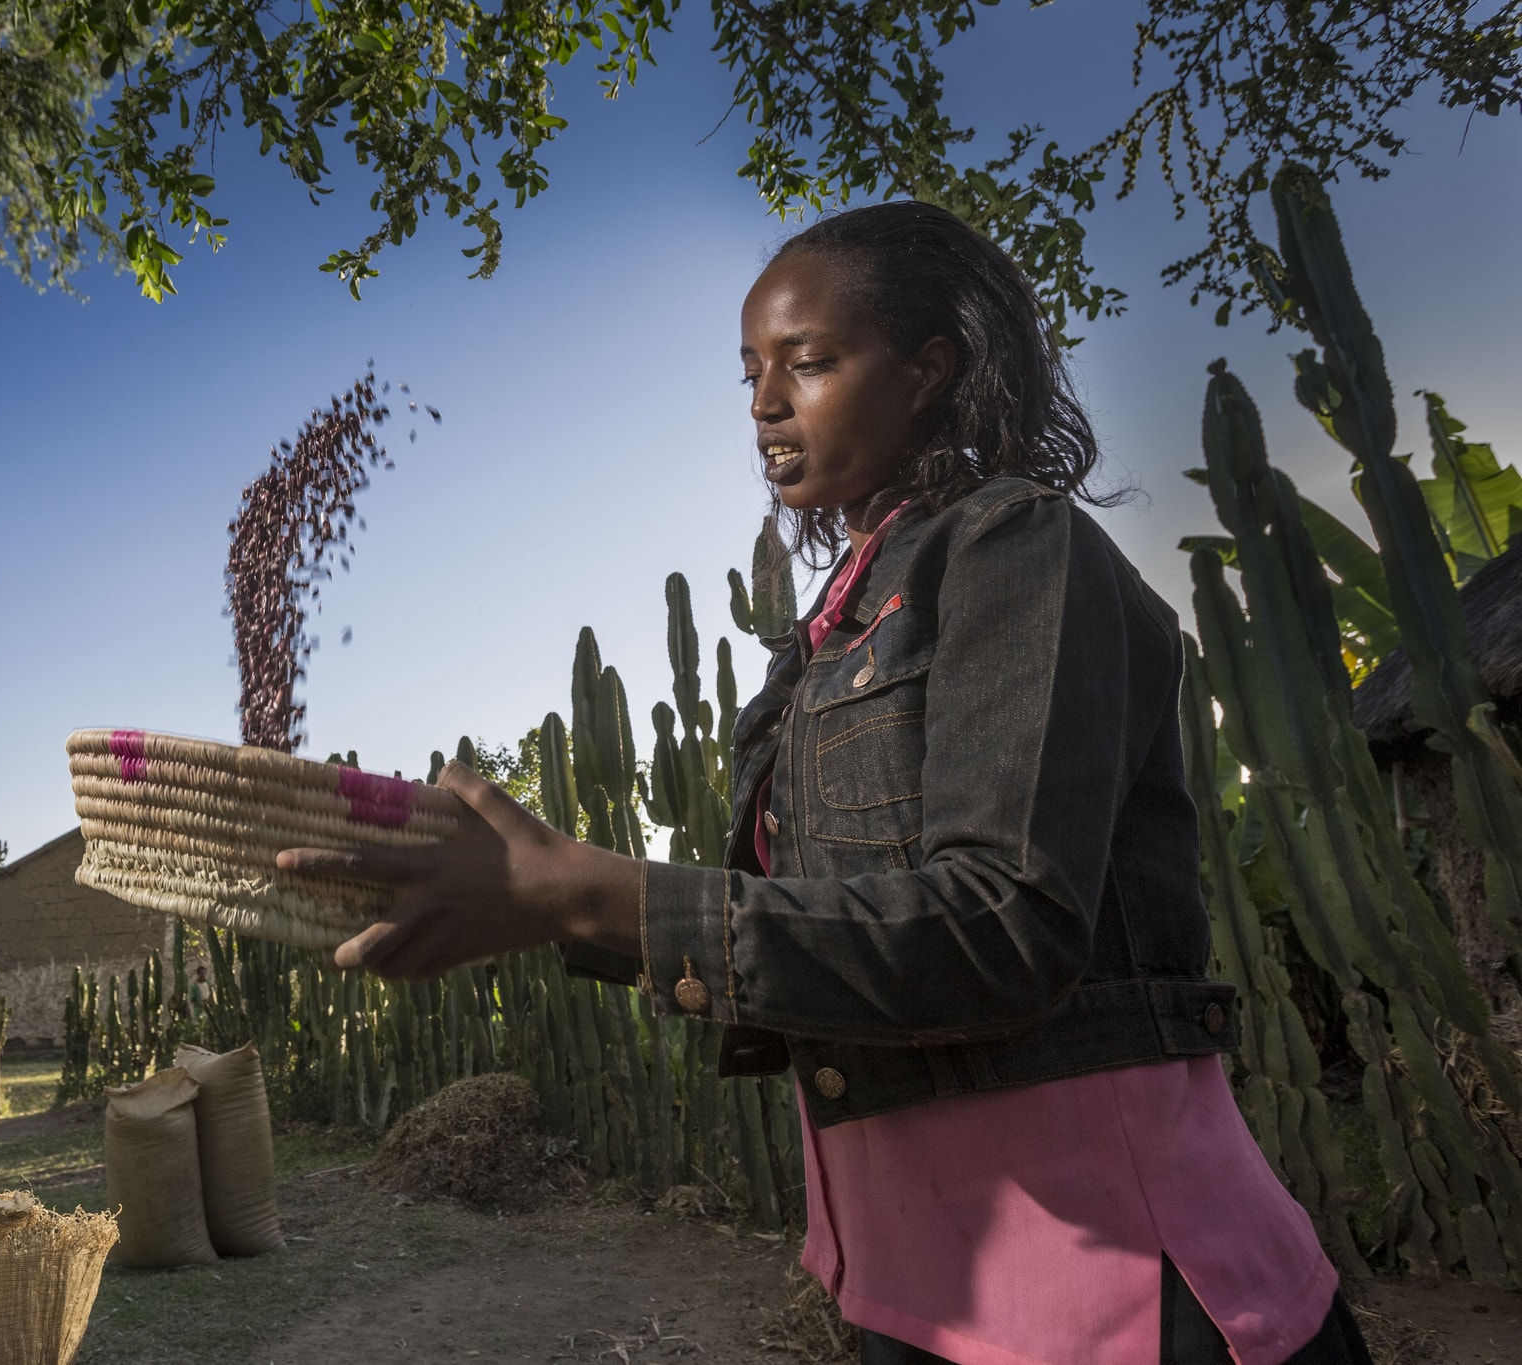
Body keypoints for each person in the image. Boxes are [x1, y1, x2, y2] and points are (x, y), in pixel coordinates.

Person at [280, 201, 1372, 1365]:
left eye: (806, 363)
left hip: (1112, 1287)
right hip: (905, 1278)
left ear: (927, 372)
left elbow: (1004, 922)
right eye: (750, 370)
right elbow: (823, 923)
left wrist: (589, 891)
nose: (761, 402)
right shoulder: (826, 629)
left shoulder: (1013, 547)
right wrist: (540, 907)